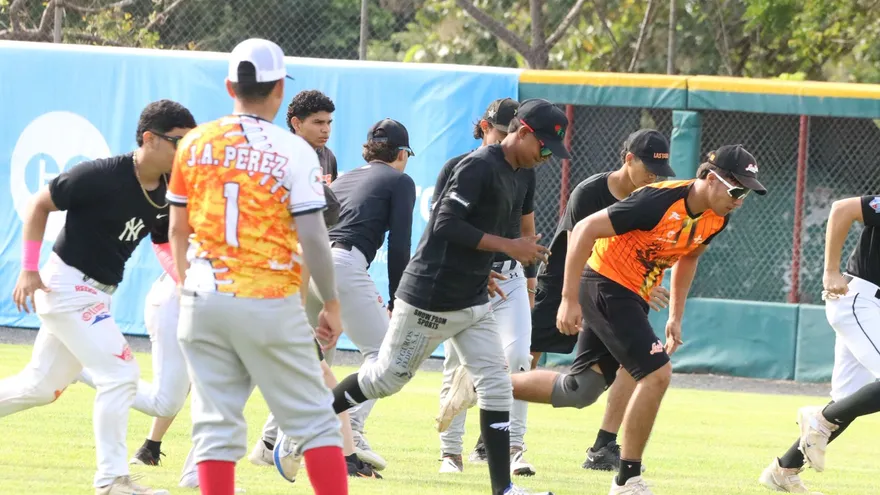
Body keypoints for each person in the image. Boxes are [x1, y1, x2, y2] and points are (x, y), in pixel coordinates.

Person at [282, 98, 568, 495]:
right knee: (384, 378)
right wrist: (510, 246)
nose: (547, 157)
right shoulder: (477, 166)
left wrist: (484, 269)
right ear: (522, 133)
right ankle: (300, 431)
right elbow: (446, 225)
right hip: (431, 296)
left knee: (497, 383)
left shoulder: (521, 175)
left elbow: (478, 231)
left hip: (472, 300)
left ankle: (503, 488)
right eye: (545, 147)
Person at [166, 38, 347, 495]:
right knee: (318, 425)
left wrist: (191, 289)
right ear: (280, 91)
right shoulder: (294, 151)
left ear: (230, 85)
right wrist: (330, 302)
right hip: (266, 297)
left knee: (215, 431)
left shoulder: (194, 143)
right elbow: (313, 236)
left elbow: (177, 230)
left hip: (202, 296)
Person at [1, 99, 196, 495]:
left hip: (97, 294)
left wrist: (186, 280)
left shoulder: (167, 190)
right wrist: (28, 268)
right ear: (149, 139)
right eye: (179, 142)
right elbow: (39, 204)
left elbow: (165, 240)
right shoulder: (103, 174)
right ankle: (112, 481)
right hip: (67, 285)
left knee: (40, 386)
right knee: (121, 374)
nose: (185, 151)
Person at [557, 145, 766, 495]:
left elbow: (690, 255)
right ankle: (627, 479)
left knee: (581, 391)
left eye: (747, 191)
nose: (741, 199)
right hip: (605, 282)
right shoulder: (655, 199)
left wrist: (675, 317)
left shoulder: (717, 215)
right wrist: (567, 298)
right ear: (710, 178)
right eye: (737, 189)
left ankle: (487, 386)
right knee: (657, 372)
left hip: (633, 293)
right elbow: (583, 230)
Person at [265, 118, 416, 477]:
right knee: (389, 359)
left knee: (311, 358)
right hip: (343, 264)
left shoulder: (346, 175)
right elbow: (400, 244)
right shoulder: (400, 180)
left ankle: (270, 437)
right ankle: (350, 436)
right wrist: (399, 297)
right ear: (401, 153)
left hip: (310, 264)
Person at [514, 129, 673, 473]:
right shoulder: (590, 191)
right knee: (529, 352)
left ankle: (604, 446)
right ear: (628, 159)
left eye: (660, 171)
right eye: (648, 167)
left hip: (620, 291)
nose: (654, 176)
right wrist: (575, 299)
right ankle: (500, 433)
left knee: (637, 360)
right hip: (565, 284)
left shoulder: (652, 198)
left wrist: (644, 284)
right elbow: (577, 246)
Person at [432, 97, 541, 477]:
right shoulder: (462, 166)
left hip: (509, 275)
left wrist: (530, 281)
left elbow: (526, 229)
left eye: (512, 131)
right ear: (483, 127)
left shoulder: (524, 169)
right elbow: (441, 228)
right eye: (499, 130)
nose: (504, 138)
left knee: (518, 358)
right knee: (455, 362)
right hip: (467, 277)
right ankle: (450, 452)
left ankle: (513, 447)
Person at [759, 194, 880, 493]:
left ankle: (784, 469)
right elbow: (843, 208)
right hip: (859, 300)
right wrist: (830, 271)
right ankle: (820, 420)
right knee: (832, 416)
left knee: (849, 402)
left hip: (869, 307)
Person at [285, 89, 338, 184]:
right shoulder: (280, 157)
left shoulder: (328, 157)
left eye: (328, 123)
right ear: (296, 124)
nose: (326, 129)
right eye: (318, 122)